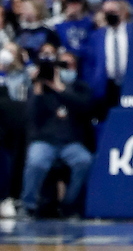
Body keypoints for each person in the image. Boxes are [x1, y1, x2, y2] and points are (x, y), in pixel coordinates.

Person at [19, 49, 93, 219]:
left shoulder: (80, 87)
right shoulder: (40, 90)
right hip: (45, 140)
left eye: (69, 65)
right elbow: (31, 117)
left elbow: (83, 107)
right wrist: (38, 87)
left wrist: (59, 88)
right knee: (36, 161)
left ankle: (69, 204)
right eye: (62, 64)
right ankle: (28, 205)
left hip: (70, 141)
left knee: (84, 160)